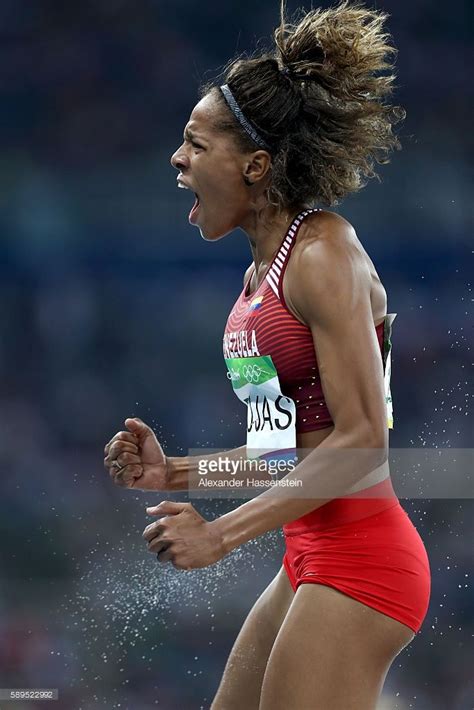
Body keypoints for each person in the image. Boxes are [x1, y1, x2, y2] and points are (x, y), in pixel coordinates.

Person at [103, 2, 431, 708]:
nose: (176, 158)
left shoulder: (323, 252)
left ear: (254, 164)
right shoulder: (256, 285)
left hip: (364, 560)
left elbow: (363, 444)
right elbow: (286, 453)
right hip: (309, 557)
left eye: (195, 142)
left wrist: (219, 536)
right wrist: (176, 473)